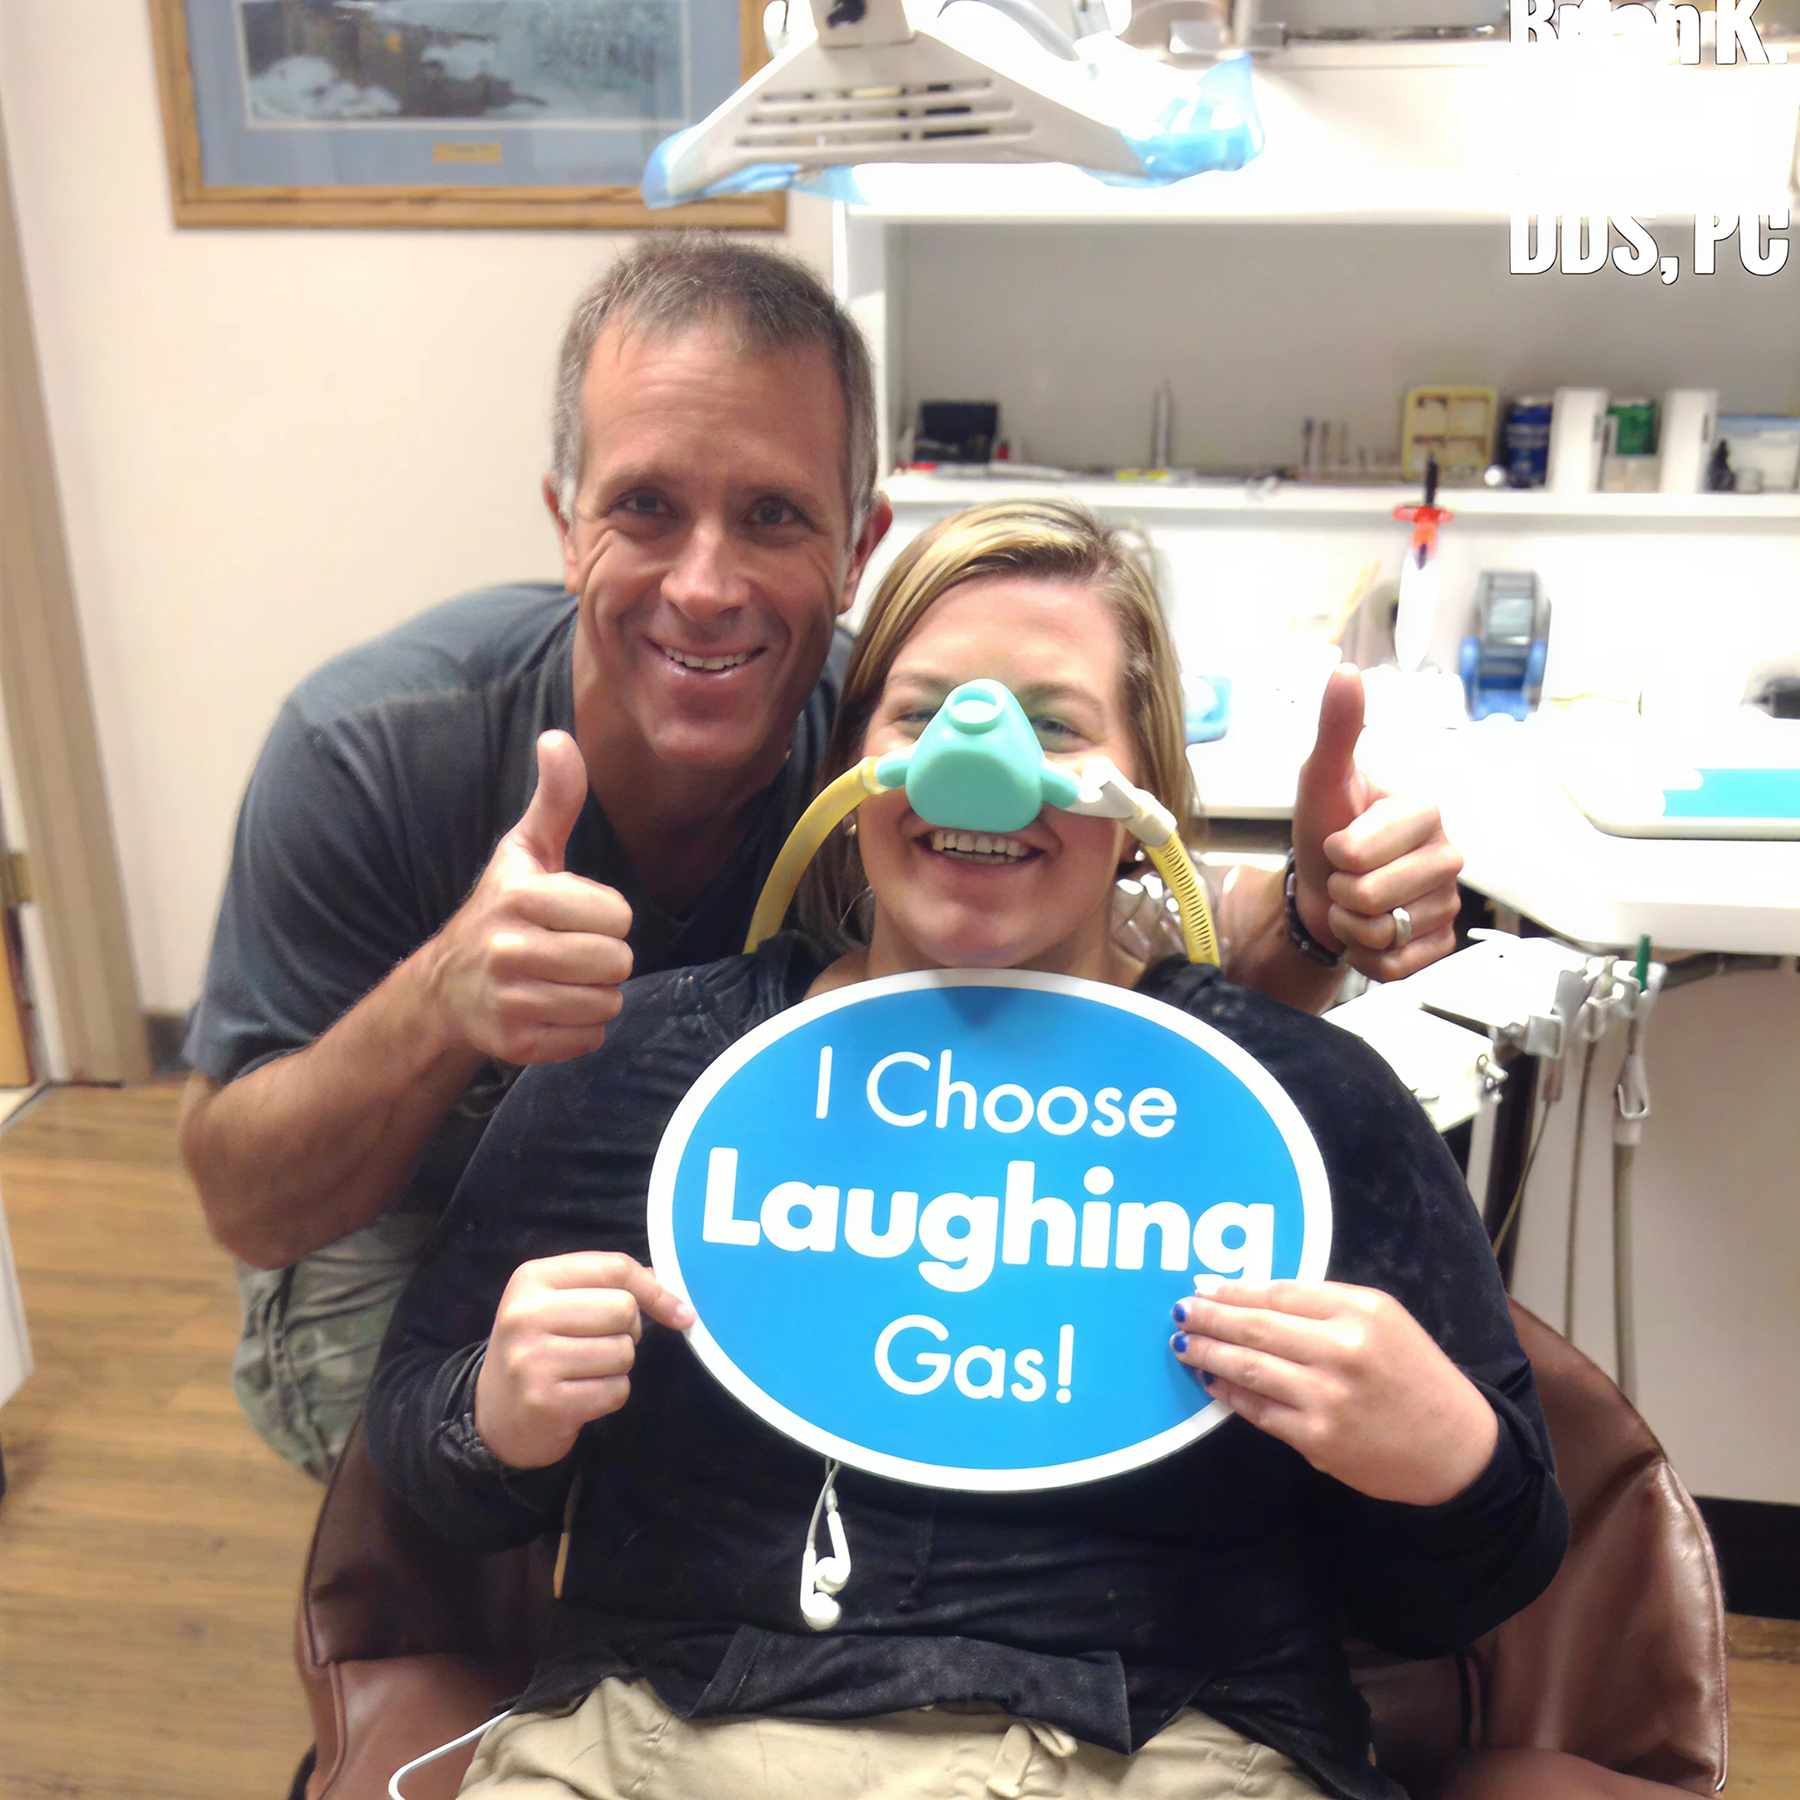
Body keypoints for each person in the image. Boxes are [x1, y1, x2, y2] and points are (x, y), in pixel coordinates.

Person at [180, 238, 1465, 1481]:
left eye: (773, 516)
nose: (705, 584)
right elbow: (249, 1205)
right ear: (565, 524)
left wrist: (1319, 909)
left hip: (711, 1219)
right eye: (644, 506)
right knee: (445, 1501)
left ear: (858, 547)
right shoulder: (374, 752)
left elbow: (1149, 957)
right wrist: (441, 1001)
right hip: (400, 1215)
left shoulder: (897, 751)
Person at [364, 499, 1565, 1800]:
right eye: (921, 715)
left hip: (1166, 1749)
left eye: (1052, 727)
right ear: (852, 768)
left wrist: (1444, 1453)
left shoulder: (1298, 1105)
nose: (974, 764)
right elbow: (425, 1458)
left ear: (1142, 788)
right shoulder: (642, 1069)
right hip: (666, 1737)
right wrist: (501, 1413)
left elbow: (1462, 1589)